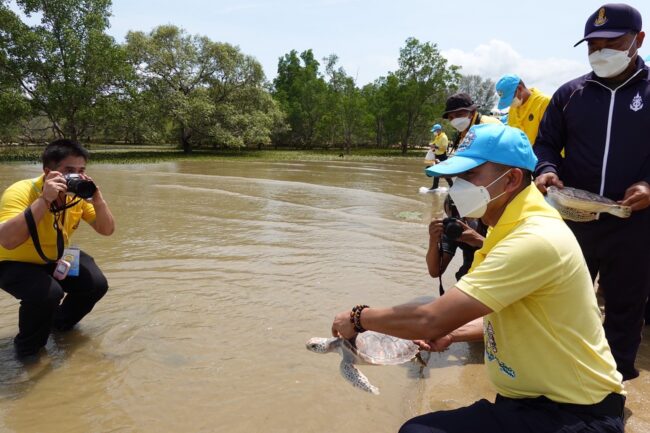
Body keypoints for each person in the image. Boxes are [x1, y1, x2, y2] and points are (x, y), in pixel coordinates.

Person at [332, 123, 625, 433]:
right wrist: (454, 334)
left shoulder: (534, 237)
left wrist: (357, 317)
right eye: (457, 177)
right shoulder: (505, 227)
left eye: (470, 176)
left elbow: (429, 319)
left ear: (511, 179)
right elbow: (510, 314)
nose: (458, 186)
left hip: (576, 413)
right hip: (533, 402)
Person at [534, 3, 650, 381]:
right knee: (563, 298)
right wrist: (547, 170)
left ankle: (612, 386)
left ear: (638, 40)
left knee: (624, 308)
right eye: (592, 45)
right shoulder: (571, 94)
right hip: (574, 218)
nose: (600, 52)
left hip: (634, 223)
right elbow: (546, 143)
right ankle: (562, 378)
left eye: (610, 42)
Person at [0, 139, 115, 359]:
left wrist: (98, 200)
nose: (76, 177)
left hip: (54, 257)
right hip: (12, 262)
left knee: (95, 284)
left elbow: (107, 229)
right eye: (68, 171)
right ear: (48, 171)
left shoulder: (76, 198)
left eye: (81, 171)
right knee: (48, 295)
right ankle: (28, 351)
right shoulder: (21, 191)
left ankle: (58, 325)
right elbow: (7, 240)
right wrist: (45, 199)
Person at [425, 194, 486, 287]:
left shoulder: (491, 221)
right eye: (452, 217)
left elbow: (510, 255)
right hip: (468, 278)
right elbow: (435, 271)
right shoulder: (453, 228)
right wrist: (433, 240)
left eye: (464, 215)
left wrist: (479, 241)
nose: (459, 221)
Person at [495, 74, 550, 145]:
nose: (510, 104)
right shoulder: (513, 110)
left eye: (511, 99)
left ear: (519, 89)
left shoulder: (544, 103)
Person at [428, 124, 453, 191]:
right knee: (436, 171)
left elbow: (444, 148)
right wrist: (431, 144)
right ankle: (435, 186)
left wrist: (435, 147)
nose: (434, 132)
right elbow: (435, 143)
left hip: (442, 156)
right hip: (437, 155)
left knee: (443, 172)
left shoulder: (444, 137)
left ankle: (452, 185)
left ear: (439, 130)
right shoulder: (437, 136)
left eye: (434, 131)